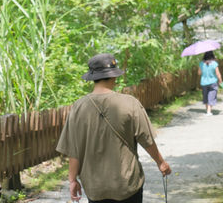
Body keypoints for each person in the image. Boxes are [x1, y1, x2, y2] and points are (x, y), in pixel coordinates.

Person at [56, 53, 171, 203]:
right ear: (113, 77)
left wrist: (72, 180)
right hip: (127, 184)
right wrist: (160, 162)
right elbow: (146, 139)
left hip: (95, 188)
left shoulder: (78, 107)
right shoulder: (130, 103)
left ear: (93, 77)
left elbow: (74, 149)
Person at [198, 50, 223, 115]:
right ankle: (209, 111)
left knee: (205, 96)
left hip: (204, 83)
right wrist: (220, 80)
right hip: (213, 83)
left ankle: (207, 110)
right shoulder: (214, 63)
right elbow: (218, 74)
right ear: (212, 56)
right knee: (211, 96)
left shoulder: (201, 63)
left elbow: (199, 73)